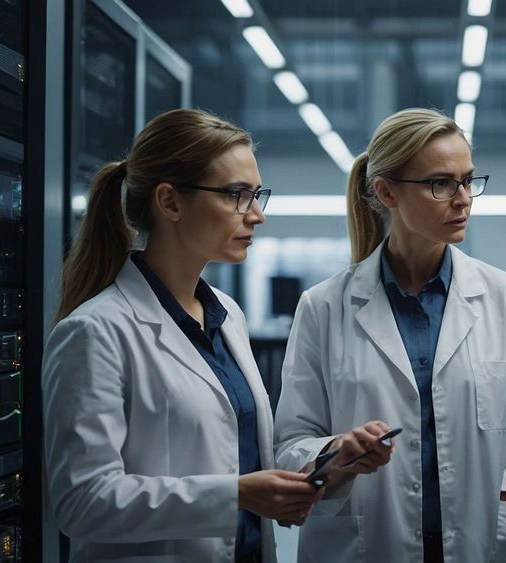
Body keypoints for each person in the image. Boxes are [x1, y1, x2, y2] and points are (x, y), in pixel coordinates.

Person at [273, 108, 506, 562]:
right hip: (368, 543)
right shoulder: (323, 307)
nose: (463, 199)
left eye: (468, 181)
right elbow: (292, 442)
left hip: (486, 540)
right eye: (441, 183)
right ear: (386, 192)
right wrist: (337, 451)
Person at [43, 109, 322, 563]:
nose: (256, 215)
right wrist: (234, 494)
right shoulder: (95, 332)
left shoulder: (227, 315)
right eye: (237, 195)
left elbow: (239, 455)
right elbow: (82, 503)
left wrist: (319, 467)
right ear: (170, 202)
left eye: (257, 195)